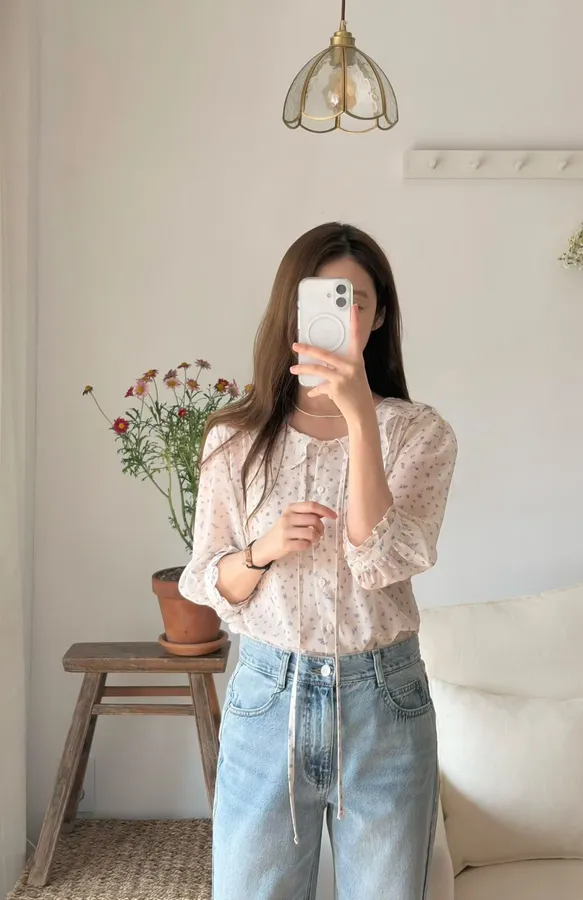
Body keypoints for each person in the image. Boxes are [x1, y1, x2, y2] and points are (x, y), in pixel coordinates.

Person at [179, 222, 457, 900]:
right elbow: (208, 580)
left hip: (383, 702)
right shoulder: (235, 438)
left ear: (380, 315)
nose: (345, 315)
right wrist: (262, 551)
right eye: (328, 298)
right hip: (267, 697)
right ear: (292, 309)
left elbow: (382, 562)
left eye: (358, 300)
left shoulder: (418, 433)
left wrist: (360, 419)